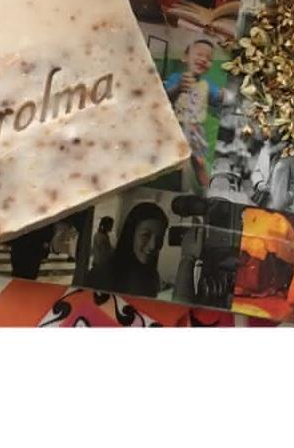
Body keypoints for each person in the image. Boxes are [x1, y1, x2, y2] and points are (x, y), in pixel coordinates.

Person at [164, 38, 222, 189]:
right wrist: (178, 88)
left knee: (199, 163)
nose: (203, 59)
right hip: (175, 126)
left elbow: (218, 98)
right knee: (170, 158)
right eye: (199, 54)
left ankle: (207, 190)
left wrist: (224, 95)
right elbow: (165, 98)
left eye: (208, 58)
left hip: (195, 129)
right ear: (185, 57)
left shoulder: (208, 85)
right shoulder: (176, 78)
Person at [89, 202, 169, 297]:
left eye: (160, 238)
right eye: (145, 235)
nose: (153, 245)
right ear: (131, 234)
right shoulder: (102, 276)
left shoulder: (151, 275)